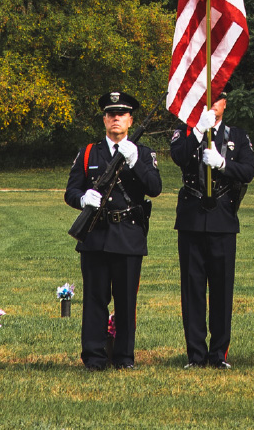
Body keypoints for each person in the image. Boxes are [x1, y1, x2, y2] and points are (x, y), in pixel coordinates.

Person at [64, 91, 163, 371]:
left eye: (121, 115)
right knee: (95, 299)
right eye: (110, 114)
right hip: (95, 235)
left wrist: (135, 162)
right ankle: (94, 357)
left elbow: (154, 188)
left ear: (130, 121)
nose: (115, 119)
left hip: (128, 235)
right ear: (104, 120)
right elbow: (71, 191)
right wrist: (83, 199)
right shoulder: (88, 153)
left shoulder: (142, 153)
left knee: (126, 301)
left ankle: (124, 357)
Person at [170, 90, 254, 369]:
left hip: (222, 218)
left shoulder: (238, 136)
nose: (212, 104)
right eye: (206, 99)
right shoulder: (185, 132)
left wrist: (222, 164)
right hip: (192, 218)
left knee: (221, 289)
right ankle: (196, 354)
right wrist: (197, 132)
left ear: (225, 103)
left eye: (217, 98)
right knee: (192, 289)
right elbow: (179, 157)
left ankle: (219, 353)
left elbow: (249, 171)